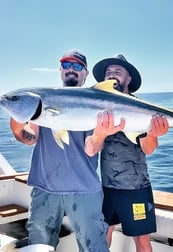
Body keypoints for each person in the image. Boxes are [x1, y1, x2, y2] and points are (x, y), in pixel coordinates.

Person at [9, 49, 110, 252]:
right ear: (60, 70)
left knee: (94, 248)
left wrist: (101, 134)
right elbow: (30, 138)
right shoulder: (46, 101)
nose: (71, 70)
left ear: (85, 73)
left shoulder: (96, 104)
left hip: (85, 190)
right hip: (45, 189)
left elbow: (93, 148)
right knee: (38, 247)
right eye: (66, 65)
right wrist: (17, 120)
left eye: (77, 66)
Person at [85, 54, 169, 252]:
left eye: (117, 72)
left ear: (128, 79)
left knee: (141, 241)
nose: (112, 75)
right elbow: (90, 148)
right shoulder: (97, 109)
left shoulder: (140, 108)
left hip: (136, 188)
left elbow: (148, 149)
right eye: (108, 72)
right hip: (106, 188)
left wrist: (153, 133)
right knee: (103, 235)